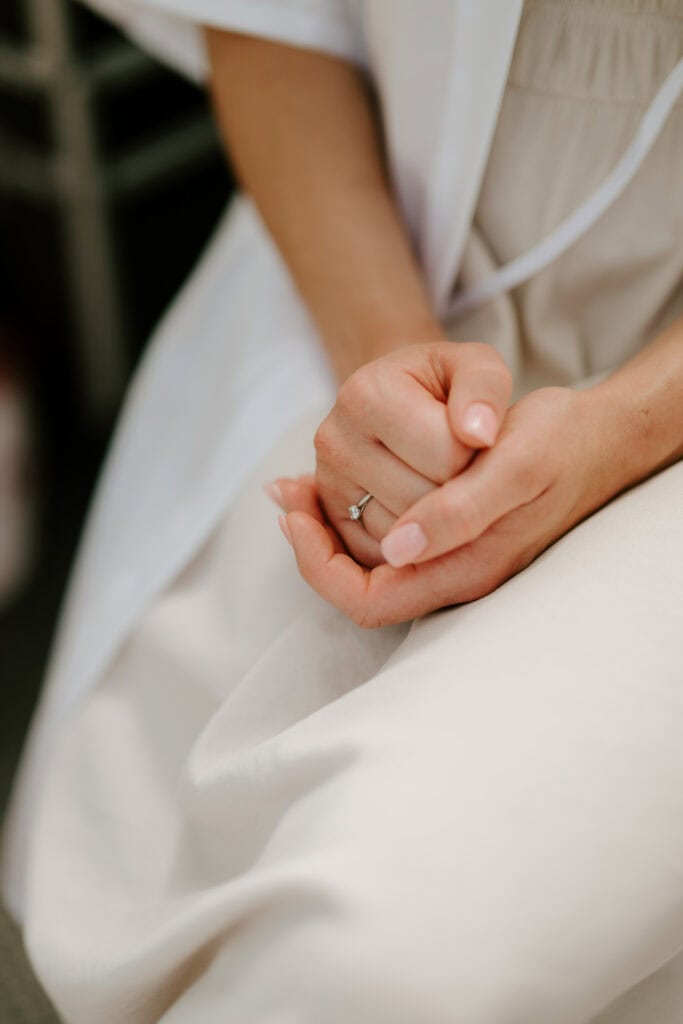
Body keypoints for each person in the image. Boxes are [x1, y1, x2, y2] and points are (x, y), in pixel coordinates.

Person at [2, 1, 683, 1021]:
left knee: (383, 949)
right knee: (178, 820)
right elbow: (265, 17)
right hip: (368, 256)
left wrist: (619, 433)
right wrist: (384, 363)